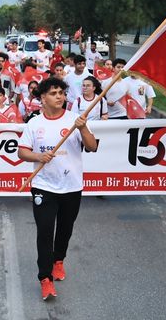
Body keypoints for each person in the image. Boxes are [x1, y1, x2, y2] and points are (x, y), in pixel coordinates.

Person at [17, 77, 98, 301]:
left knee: (65, 229)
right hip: (44, 186)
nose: (59, 97)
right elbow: (22, 152)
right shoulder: (34, 123)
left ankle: (58, 260)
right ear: (42, 98)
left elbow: (91, 146)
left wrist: (83, 130)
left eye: (62, 93)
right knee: (44, 232)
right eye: (54, 93)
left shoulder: (75, 120)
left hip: (71, 186)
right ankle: (45, 278)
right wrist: (38, 156)